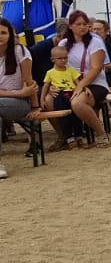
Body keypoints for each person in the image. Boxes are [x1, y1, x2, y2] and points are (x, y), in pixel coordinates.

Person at [64, 8, 111, 144]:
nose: (82, 27)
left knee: (77, 103)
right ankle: (66, 137)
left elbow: (96, 68)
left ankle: (101, 133)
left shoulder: (95, 42)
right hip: (70, 82)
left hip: (95, 83)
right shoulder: (64, 44)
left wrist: (81, 85)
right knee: (49, 101)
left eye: (85, 24)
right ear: (70, 26)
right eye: (78, 24)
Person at [0, 17, 37, 175]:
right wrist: (18, 92)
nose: (0, 36)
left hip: (20, 103)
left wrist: (35, 106)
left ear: (10, 34)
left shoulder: (20, 51)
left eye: (3, 33)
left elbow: (29, 83)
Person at [40, 44, 86, 147]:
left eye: (65, 58)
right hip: (59, 96)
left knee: (76, 114)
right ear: (53, 59)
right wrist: (42, 99)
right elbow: (45, 86)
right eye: (60, 58)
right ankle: (69, 137)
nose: (63, 60)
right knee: (63, 117)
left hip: (72, 94)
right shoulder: (50, 73)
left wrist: (81, 90)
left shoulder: (71, 70)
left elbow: (78, 83)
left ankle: (79, 135)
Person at [92, 17, 111, 88]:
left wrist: (99, 66)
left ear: (106, 31)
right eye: (94, 29)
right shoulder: (89, 43)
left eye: (98, 29)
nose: (95, 32)